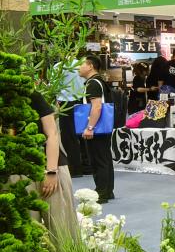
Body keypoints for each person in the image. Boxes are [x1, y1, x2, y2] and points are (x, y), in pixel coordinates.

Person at [29, 90, 76, 237]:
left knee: (62, 229)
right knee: (28, 232)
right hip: (19, 173)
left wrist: (51, 171)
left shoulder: (33, 96)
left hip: (51, 167)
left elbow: (52, 134)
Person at [78, 56, 115, 204]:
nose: (78, 67)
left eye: (81, 64)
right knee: (104, 158)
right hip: (103, 127)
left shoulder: (93, 83)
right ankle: (107, 190)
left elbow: (97, 106)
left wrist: (90, 127)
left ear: (90, 66)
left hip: (97, 127)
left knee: (98, 159)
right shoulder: (99, 81)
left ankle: (101, 192)